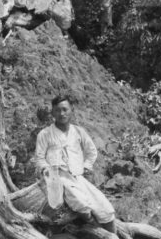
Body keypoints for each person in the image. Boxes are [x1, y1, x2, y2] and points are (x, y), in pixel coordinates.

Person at [32, 96, 116, 225]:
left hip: (77, 177)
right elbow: (39, 158)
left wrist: (86, 166)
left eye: (65, 109)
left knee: (104, 207)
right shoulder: (45, 134)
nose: (61, 114)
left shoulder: (78, 131)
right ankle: (93, 228)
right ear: (53, 112)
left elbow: (91, 151)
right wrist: (47, 169)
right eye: (57, 110)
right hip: (57, 178)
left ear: (72, 110)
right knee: (81, 202)